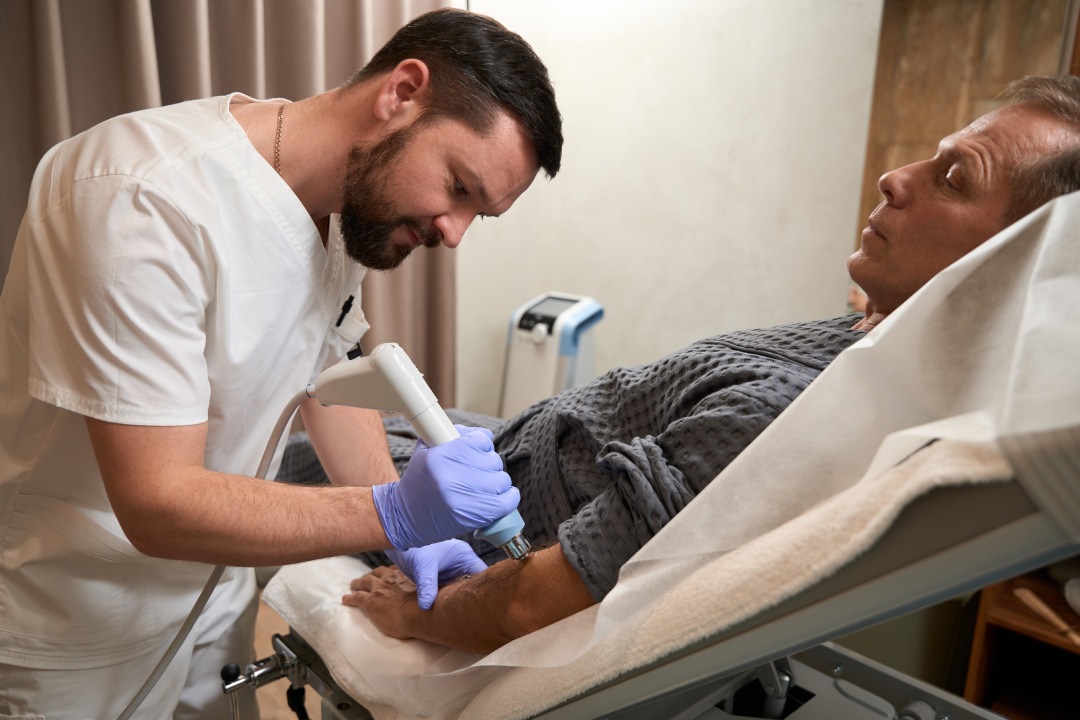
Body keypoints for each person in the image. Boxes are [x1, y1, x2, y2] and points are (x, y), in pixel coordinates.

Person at [333, 74, 1080, 655]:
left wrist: (412, 612)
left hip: (486, 518)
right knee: (333, 377)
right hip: (504, 449)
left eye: (955, 178)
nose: (897, 177)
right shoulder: (872, 336)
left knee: (303, 420)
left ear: (1012, 269)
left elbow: (536, 599)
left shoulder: (799, 410)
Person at [0, 8, 561, 720]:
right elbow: (155, 502)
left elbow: (325, 378)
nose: (454, 234)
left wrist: (411, 540)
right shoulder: (140, 199)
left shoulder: (340, 208)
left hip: (211, 596)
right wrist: (393, 513)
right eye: (458, 187)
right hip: (77, 621)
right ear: (402, 93)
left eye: (481, 213)